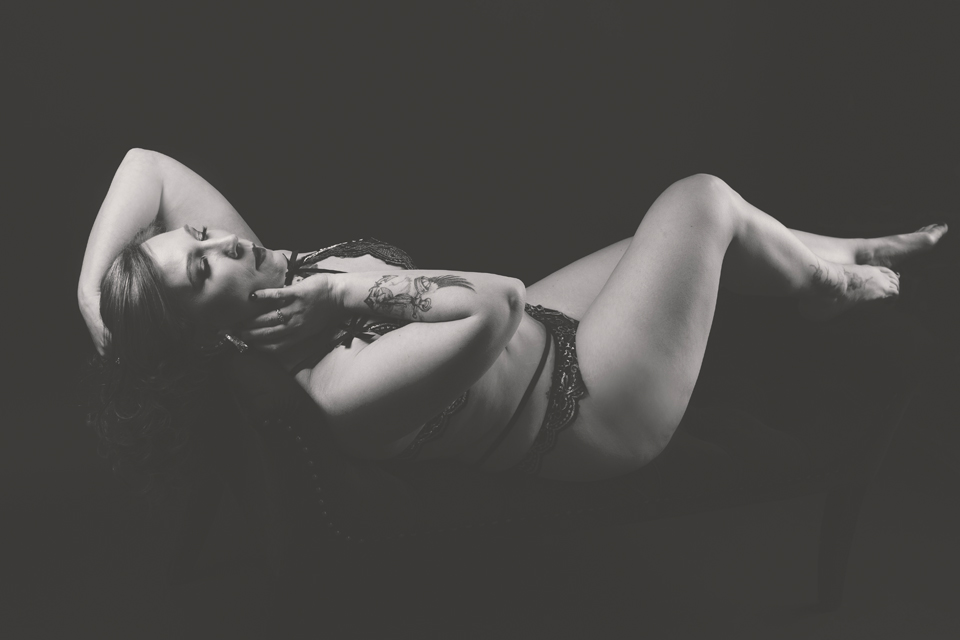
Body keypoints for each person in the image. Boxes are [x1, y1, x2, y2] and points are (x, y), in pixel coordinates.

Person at [79, 148, 948, 488]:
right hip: (589, 407)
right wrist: (345, 294)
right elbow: (494, 302)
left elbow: (144, 167)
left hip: (547, 326)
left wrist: (101, 300)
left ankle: (843, 252)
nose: (226, 242)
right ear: (214, 334)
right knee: (700, 201)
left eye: (202, 237)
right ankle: (824, 287)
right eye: (203, 266)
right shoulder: (337, 388)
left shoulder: (261, 286)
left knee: (674, 235)